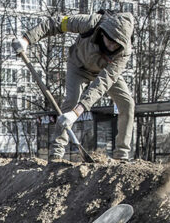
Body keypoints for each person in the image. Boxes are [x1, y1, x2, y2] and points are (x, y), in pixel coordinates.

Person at [13, 10, 134, 162]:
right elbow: (55, 23)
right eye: (109, 40)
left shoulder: (124, 52)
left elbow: (102, 84)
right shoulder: (90, 23)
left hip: (104, 73)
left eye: (116, 44)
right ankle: (56, 153)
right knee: (71, 100)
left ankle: (121, 155)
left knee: (127, 104)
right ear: (102, 32)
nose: (111, 45)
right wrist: (27, 39)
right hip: (79, 66)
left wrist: (77, 113)